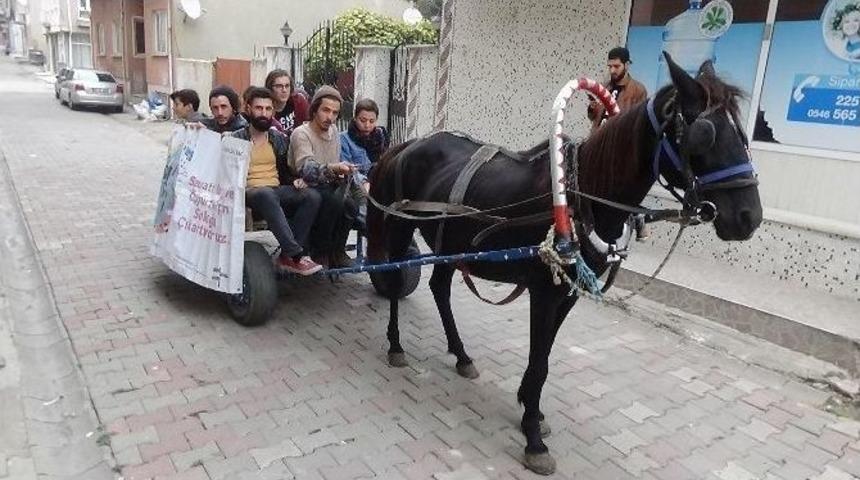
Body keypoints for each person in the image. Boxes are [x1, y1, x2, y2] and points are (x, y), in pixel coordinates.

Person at [228, 87, 323, 275]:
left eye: (268, 109)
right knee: (265, 193)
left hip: (274, 189)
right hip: (248, 192)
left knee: (312, 196)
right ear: (248, 109)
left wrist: (296, 180)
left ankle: (287, 256)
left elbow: (286, 170)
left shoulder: (278, 139)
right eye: (259, 108)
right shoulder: (235, 138)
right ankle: (296, 255)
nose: (264, 114)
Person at [288, 85, 357, 269]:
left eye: (335, 112)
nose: (330, 117)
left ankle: (337, 250)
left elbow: (334, 162)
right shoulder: (301, 134)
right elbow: (306, 169)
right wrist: (335, 168)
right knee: (332, 201)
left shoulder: (334, 131)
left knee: (350, 205)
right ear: (315, 109)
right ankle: (320, 250)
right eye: (325, 110)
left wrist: (344, 170)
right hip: (304, 186)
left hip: (328, 184)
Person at [339, 98, 390, 228]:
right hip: (355, 185)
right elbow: (347, 167)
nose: (367, 125)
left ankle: (408, 247)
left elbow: (386, 162)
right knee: (366, 205)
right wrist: (364, 182)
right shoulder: (344, 138)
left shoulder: (381, 136)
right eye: (363, 120)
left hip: (378, 182)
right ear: (355, 118)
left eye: (371, 121)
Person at [587, 47, 647, 130]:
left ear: (626, 65)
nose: (612, 71)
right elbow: (593, 118)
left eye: (616, 66)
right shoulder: (605, 86)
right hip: (597, 138)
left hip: (617, 140)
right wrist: (592, 108)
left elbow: (639, 123)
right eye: (610, 66)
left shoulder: (638, 90)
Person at [265, 69, 310, 137]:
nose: (284, 90)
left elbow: (309, 125)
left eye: (287, 86)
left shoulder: (298, 102)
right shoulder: (264, 109)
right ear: (270, 88)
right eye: (279, 86)